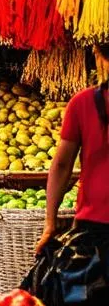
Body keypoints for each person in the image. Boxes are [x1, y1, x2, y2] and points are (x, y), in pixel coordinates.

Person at [37, 42, 109, 252]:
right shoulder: (82, 103)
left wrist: (50, 223)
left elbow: (61, 165)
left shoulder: (82, 103)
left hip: (94, 224)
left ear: (99, 54)